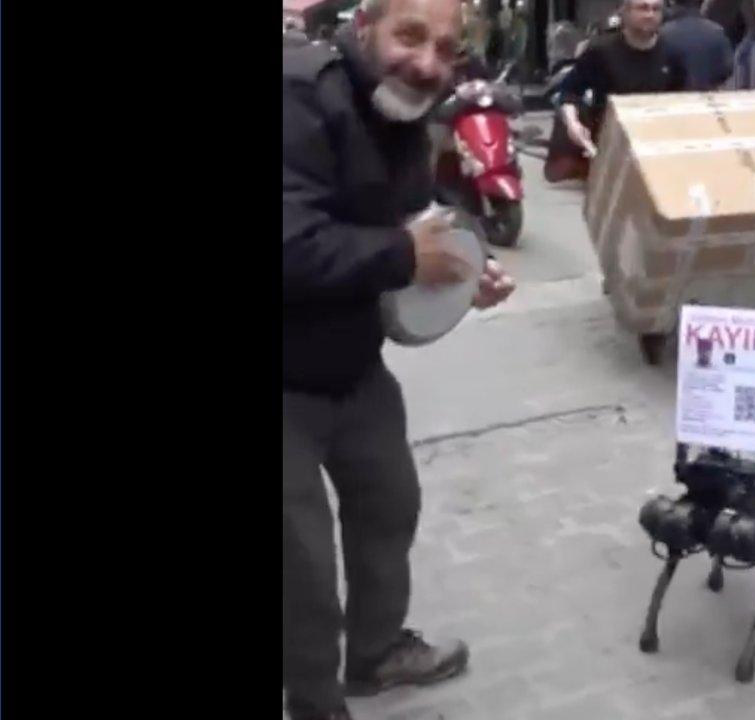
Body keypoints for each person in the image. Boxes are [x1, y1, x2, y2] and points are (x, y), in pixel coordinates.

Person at [282, 0, 517, 717]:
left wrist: (465, 273)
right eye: (410, 36)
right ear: (364, 30)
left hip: (353, 364)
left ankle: (376, 654)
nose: (427, 63)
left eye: (446, 49)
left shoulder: (405, 110)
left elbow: (416, 219)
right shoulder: (297, 93)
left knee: (390, 505)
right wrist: (403, 255)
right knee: (302, 566)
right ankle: (315, 701)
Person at [557, 0, 689, 158]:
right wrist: (573, 124)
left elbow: (682, 99)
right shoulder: (601, 51)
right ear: (625, 12)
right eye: (643, 8)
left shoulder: (673, 53)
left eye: (656, 9)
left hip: (658, 146)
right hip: (611, 147)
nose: (650, 15)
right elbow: (569, 91)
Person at [661, 0, 734, 91]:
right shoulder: (717, 32)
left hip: (672, 97)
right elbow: (726, 70)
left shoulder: (662, 35)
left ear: (672, 2)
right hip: (709, 96)